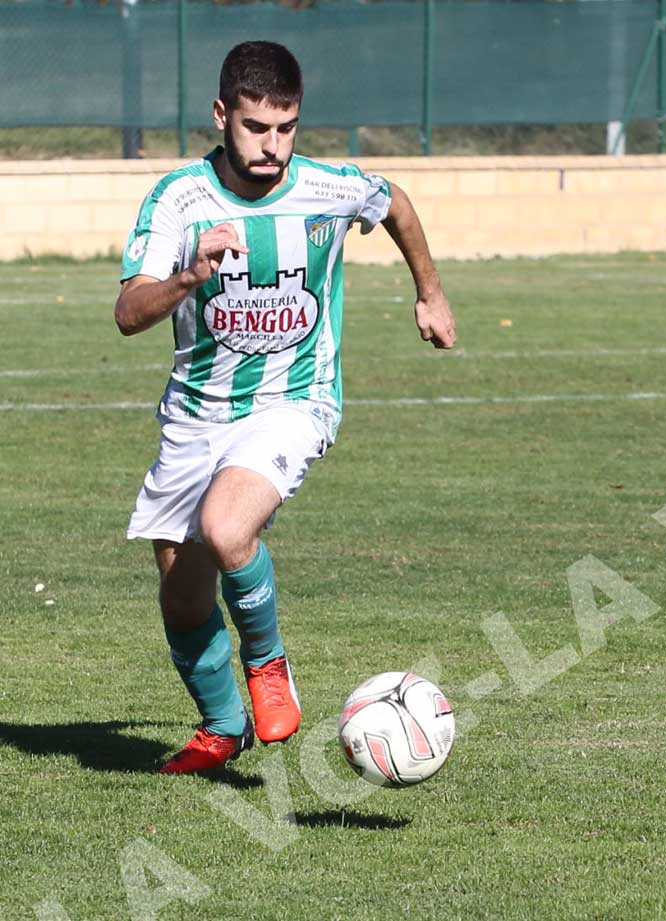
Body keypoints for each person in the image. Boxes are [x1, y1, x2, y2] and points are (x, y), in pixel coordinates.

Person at [115, 40, 456, 774]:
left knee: (226, 528)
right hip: (195, 413)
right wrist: (188, 277)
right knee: (183, 599)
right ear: (221, 115)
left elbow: (394, 201)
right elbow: (128, 312)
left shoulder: (329, 187)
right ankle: (222, 728)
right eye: (255, 127)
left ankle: (268, 664)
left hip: (294, 400)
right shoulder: (179, 199)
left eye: (286, 127)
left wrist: (429, 292)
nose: (272, 145)